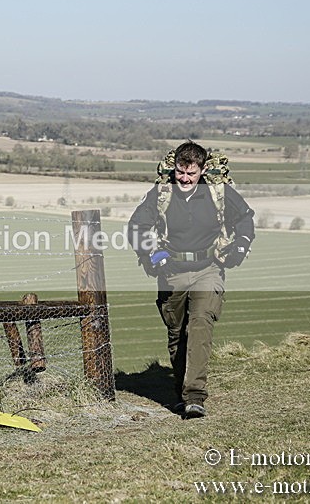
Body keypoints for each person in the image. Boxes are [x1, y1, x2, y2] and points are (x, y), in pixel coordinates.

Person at [128, 140, 255, 418]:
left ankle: (195, 397)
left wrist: (241, 245)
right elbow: (136, 226)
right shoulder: (160, 193)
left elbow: (245, 217)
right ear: (174, 168)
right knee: (177, 335)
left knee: (199, 323)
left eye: (191, 173)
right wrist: (151, 254)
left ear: (201, 170)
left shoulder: (219, 193)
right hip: (170, 271)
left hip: (208, 268)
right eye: (180, 172)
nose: (184, 179)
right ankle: (180, 392)